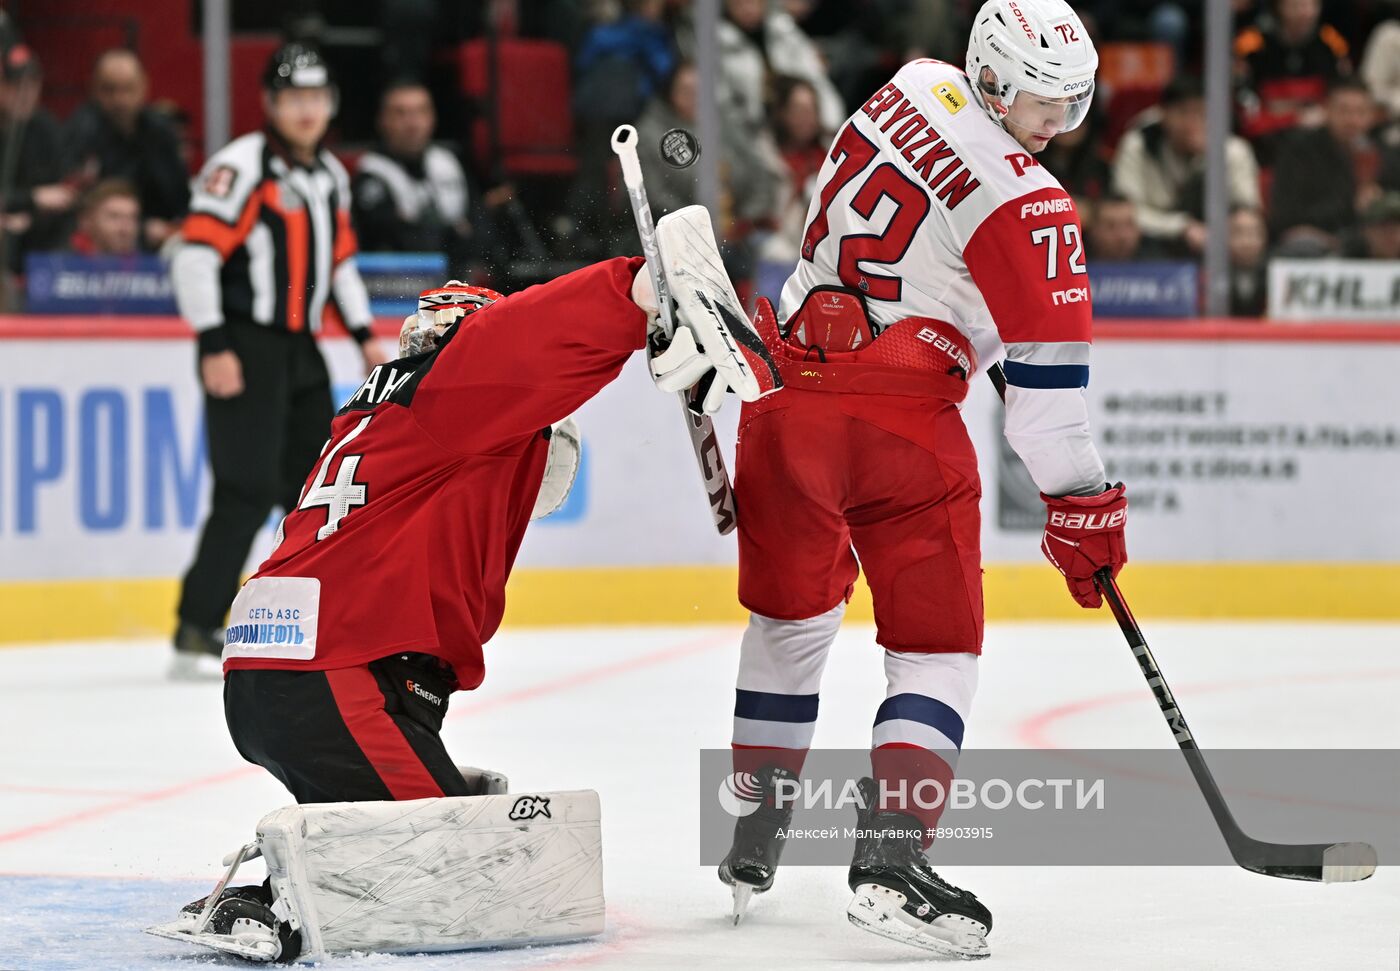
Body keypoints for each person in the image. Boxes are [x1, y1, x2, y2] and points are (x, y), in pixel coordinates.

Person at [155, 235, 776, 961]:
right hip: (337, 674)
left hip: (294, 667)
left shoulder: (376, 414)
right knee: (461, 876)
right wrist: (643, 291)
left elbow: (524, 449)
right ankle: (268, 898)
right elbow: (541, 335)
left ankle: (288, 874)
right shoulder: (455, 380)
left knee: (453, 840)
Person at [717, 0, 1128, 959]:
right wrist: (1084, 506)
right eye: (1039, 103)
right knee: (938, 648)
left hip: (782, 399)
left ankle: (752, 827)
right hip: (902, 426)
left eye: (1074, 106)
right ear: (991, 78)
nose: (1054, 127)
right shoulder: (1031, 204)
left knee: (787, 621)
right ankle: (892, 860)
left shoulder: (907, 85)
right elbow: (1046, 406)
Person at [168, 43, 391, 679]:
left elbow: (339, 262)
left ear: (331, 106)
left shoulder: (330, 176)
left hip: (300, 349)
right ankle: (196, 624)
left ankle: (312, 617)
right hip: (245, 341)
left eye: (317, 99)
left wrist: (361, 334)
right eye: (294, 99)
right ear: (270, 103)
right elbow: (194, 256)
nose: (305, 111)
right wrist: (213, 341)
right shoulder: (241, 168)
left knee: (314, 490)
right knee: (245, 488)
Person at [1111, 77, 1261, 257]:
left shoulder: (1232, 151)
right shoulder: (1138, 145)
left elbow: (1247, 211)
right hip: (1151, 241)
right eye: (1183, 112)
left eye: (1201, 113)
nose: (1192, 123)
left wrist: (1208, 157)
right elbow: (1127, 212)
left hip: (1217, 244)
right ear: (1163, 114)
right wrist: (1180, 226)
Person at [60, 48, 188, 249]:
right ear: (94, 89)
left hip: (157, 242)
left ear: (144, 87)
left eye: (128, 89)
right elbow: (74, 198)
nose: (120, 99)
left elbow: (179, 196)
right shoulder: (79, 132)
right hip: (97, 245)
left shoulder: (161, 134)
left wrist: (166, 227)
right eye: (110, 89)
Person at [351, 81, 473, 263]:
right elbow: (397, 240)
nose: (413, 123)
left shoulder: (449, 162)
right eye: (400, 113)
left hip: (456, 278)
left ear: (433, 117)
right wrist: (454, 232)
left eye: (421, 111)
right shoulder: (371, 174)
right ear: (382, 120)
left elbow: (480, 231)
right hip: (396, 282)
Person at [1270, 78, 1382, 254]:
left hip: (1370, 241)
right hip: (1314, 241)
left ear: (1372, 116)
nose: (1352, 120)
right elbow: (1286, 215)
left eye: (1360, 112)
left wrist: (1380, 204)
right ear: (1327, 110)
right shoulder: (1300, 150)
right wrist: (1352, 202)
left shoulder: (1381, 151)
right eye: (1344, 111)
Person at [0, 44, 72, 277]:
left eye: (32, 84)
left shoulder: (46, 127)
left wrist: (30, 214)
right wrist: (31, 199)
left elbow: (61, 189)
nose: (25, 93)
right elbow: (40, 194)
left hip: (33, 226)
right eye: (14, 85)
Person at [1235, 0, 1351, 145]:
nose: (1306, 13)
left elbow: (1342, 90)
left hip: (1318, 130)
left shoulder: (1330, 40)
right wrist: (1292, 117)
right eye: (1296, 6)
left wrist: (1326, 113)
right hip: (1267, 136)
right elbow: (1245, 104)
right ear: (1279, 7)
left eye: (1311, 5)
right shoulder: (1251, 43)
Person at [68, 178, 141, 256]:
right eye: (114, 217)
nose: (125, 229)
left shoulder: (145, 264)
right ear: (86, 222)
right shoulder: (61, 263)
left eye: (132, 218)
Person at [1227, 206, 1270, 316]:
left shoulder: (1275, 272)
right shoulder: (1210, 273)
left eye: (1253, 233)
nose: (1246, 242)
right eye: (1238, 233)